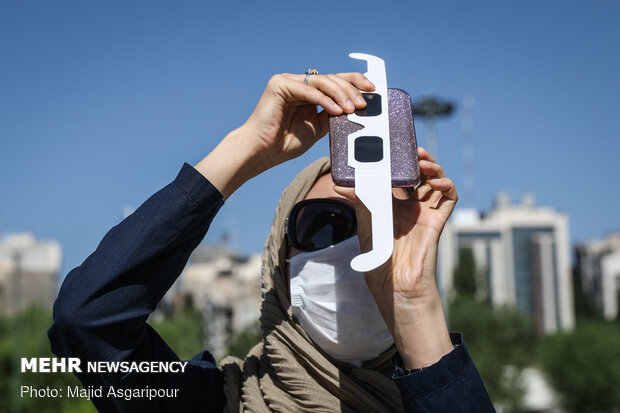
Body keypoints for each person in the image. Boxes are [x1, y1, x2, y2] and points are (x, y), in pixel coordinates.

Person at [48, 71, 495, 412]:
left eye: (380, 222)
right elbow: (88, 322)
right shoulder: (214, 402)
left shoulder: (450, 397)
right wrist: (247, 148)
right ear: (278, 264)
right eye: (321, 225)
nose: (356, 244)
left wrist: (412, 304)